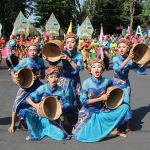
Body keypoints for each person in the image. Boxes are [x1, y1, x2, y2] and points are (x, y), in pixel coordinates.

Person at [72, 58, 129, 143]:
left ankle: (114, 129)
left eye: (99, 67)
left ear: (102, 69)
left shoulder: (107, 81)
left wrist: (110, 98)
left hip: (102, 110)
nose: (96, 69)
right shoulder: (86, 83)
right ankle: (105, 130)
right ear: (90, 70)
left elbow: (113, 90)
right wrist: (100, 98)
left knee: (125, 107)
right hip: (89, 112)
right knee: (80, 135)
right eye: (94, 67)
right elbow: (83, 102)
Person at [43, 33, 83, 125]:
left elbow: (78, 69)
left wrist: (69, 59)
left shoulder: (79, 55)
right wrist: (48, 59)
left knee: (78, 97)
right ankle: (65, 118)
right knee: (66, 97)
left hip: (75, 78)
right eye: (67, 42)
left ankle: (80, 116)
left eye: (72, 42)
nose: (69, 44)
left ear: (76, 43)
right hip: (64, 78)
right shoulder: (63, 53)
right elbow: (54, 62)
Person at [112, 38, 148, 134]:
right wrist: (128, 59)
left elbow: (139, 71)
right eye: (119, 47)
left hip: (126, 85)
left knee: (126, 104)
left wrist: (146, 62)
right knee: (116, 105)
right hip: (115, 85)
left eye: (124, 47)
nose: (121, 49)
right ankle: (116, 127)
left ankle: (128, 125)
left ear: (128, 49)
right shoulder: (115, 59)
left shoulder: (131, 61)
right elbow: (117, 69)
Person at [8, 42, 45, 133]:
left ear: (38, 51)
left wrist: (38, 77)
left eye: (34, 50)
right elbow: (13, 70)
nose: (32, 52)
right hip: (25, 86)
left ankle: (38, 122)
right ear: (28, 51)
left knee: (40, 102)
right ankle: (12, 124)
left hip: (36, 85)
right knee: (17, 103)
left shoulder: (41, 61)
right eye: (30, 50)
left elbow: (44, 74)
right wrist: (14, 76)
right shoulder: (25, 61)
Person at [24, 65, 70, 141]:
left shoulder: (61, 90)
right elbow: (28, 99)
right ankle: (34, 132)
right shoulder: (43, 88)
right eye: (51, 77)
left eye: (56, 77)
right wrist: (35, 105)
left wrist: (60, 107)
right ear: (47, 79)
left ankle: (49, 128)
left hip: (53, 115)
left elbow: (67, 103)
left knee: (61, 136)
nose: (54, 79)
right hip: (41, 113)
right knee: (27, 112)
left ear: (58, 78)